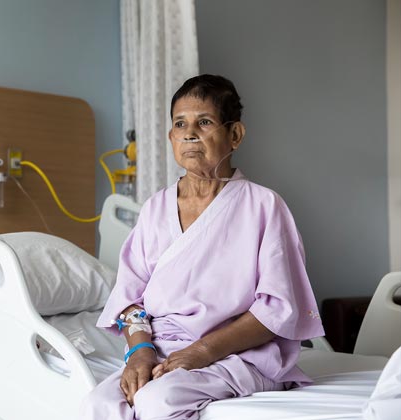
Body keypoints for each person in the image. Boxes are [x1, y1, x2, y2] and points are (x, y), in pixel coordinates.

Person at [79, 74, 325, 420]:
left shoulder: (264, 206)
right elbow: (130, 299)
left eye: (204, 122)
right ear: (171, 137)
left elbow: (278, 309)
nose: (190, 132)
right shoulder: (154, 209)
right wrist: (140, 351)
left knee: (158, 402)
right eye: (180, 124)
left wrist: (203, 350)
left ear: (234, 135)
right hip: (161, 351)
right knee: (98, 405)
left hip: (239, 354)